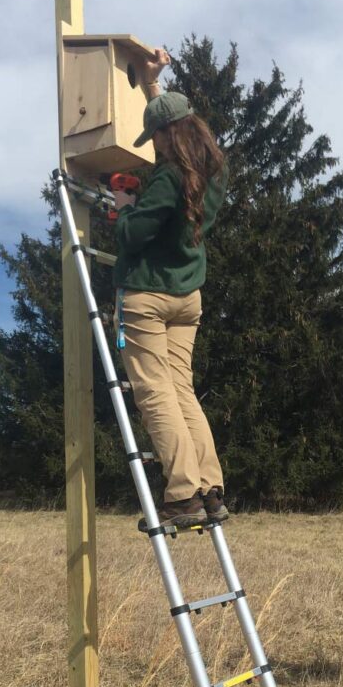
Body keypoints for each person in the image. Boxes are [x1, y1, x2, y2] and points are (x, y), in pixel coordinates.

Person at [112, 48, 229, 531]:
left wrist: (122, 207)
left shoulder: (166, 177)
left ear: (167, 136)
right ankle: (209, 488)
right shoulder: (213, 172)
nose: (151, 146)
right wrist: (152, 82)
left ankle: (182, 496)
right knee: (182, 390)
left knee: (155, 392)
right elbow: (169, 214)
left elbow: (132, 236)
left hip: (147, 296)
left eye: (154, 138)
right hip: (188, 298)